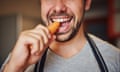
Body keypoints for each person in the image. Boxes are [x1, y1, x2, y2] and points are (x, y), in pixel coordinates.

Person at [1, 0, 120, 72]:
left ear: (87, 3)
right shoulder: (18, 58)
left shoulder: (115, 59)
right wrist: (15, 68)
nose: (58, 7)